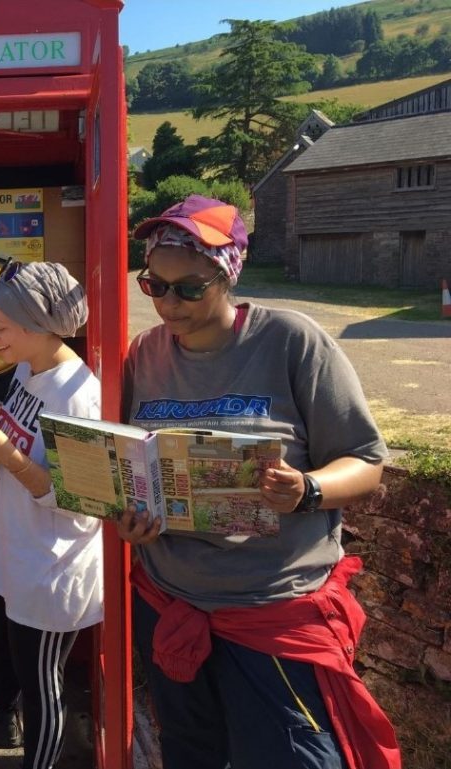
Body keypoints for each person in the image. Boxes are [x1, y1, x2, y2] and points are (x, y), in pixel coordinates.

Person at [120, 195, 401, 769]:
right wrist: (131, 515)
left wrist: (308, 489)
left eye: (189, 288)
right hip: (170, 602)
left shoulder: (293, 341)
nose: (169, 304)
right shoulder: (144, 355)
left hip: (273, 611)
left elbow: (366, 460)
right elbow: (132, 462)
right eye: (155, 286)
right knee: (192, 755)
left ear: (227, 277)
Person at [0, 260, 103, 769]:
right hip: (16, 553)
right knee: (7, 660)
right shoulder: (25, 370)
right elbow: (23, 463)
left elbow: (81, 501)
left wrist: (5, 457)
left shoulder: (80, 396)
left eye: (1, 327)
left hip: (53, 567)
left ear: (40, 325)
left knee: (42, 688)